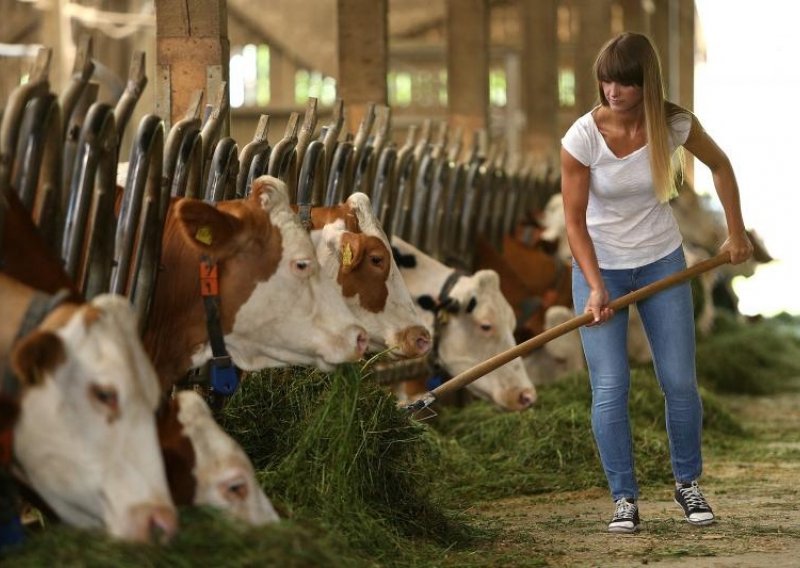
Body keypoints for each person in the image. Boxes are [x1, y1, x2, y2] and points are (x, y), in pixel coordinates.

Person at [560, 31, 753, 534]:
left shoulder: (673, 123)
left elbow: (722, 165)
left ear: (646, 82)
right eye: (605, 81)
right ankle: (624, 498)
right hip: (597, 268)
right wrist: (596, 286)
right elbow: (575, 224)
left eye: (623, 82)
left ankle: (687, 484)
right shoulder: (581, 137)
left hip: (662, 263)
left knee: (679, 382)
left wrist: (735, 232)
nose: (612, 92)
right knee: (610, 385)